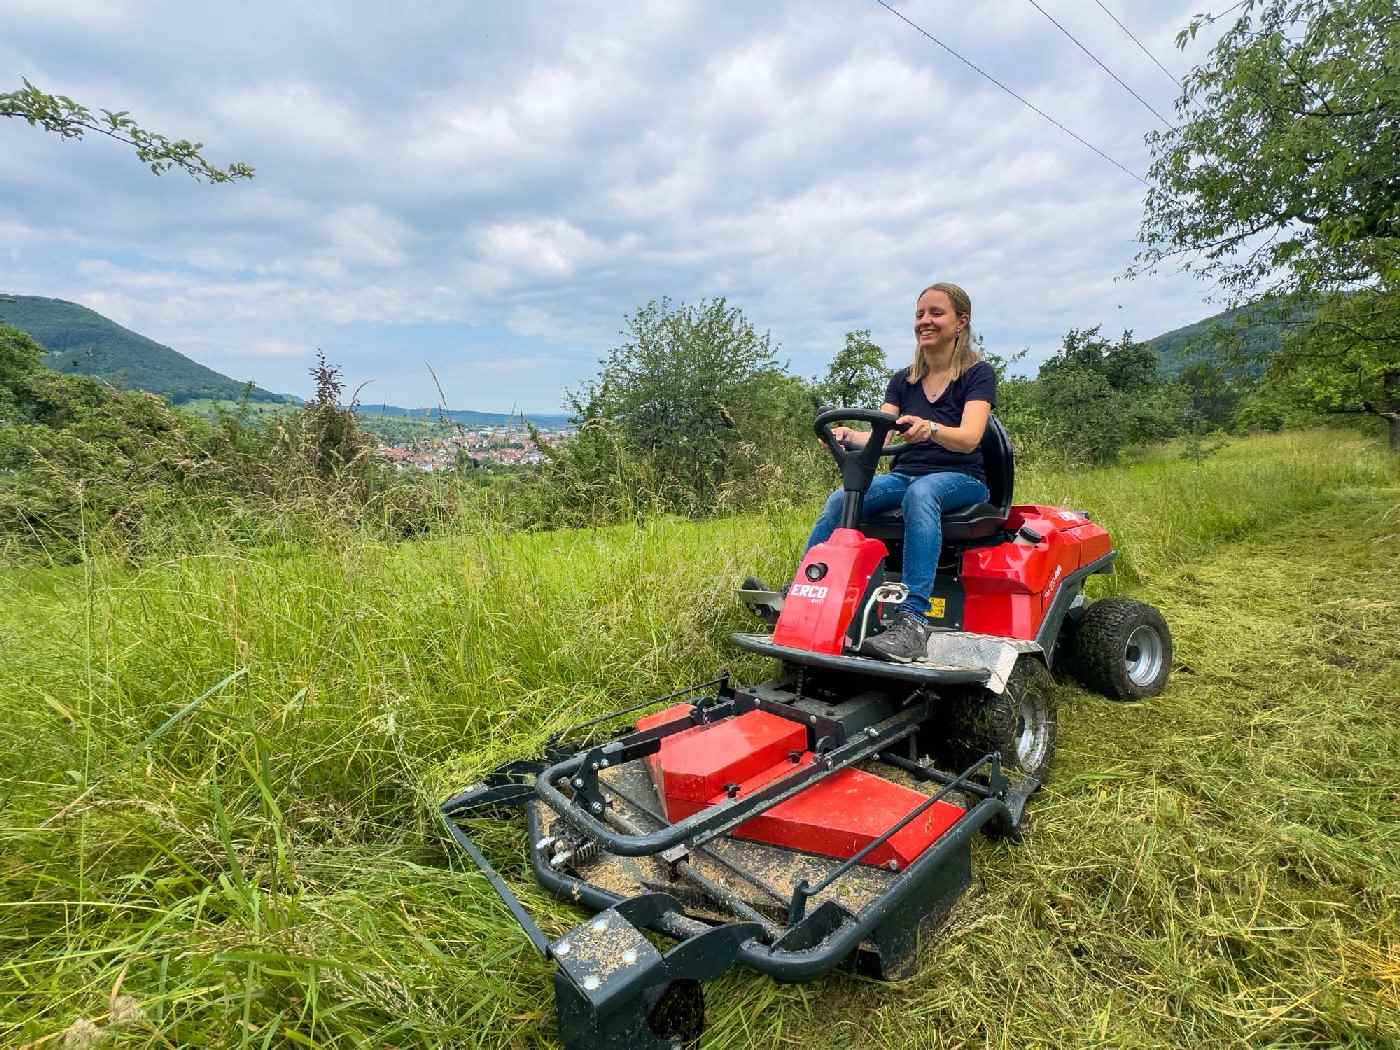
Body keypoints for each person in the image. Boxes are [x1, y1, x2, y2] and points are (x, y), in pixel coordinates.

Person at [806, 282, 996, 662]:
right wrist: (847, 435)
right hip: (906, 475)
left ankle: (912, 621)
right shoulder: (903, 380)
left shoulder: (978, 375)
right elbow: (880, 434)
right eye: (920, 314)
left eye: (936, 313)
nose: (925, 321)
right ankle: (806, 593)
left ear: (961, 322)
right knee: (841, 498)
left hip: (962, 480)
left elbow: (971, 438)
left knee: (921, 493)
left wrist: (933, 429)